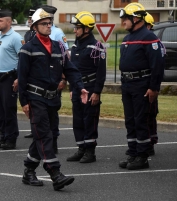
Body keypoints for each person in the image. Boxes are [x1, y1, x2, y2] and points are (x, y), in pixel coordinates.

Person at [18, 8, 88, 191]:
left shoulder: (58, 46)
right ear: (34, 27)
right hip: (35, 98)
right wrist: (24, 102)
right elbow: (22, 77)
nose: (48, 26)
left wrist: (80, 87)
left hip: (52, 99)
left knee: (42, 135)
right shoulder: (27, 49)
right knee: (45, 135)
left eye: (49, 23)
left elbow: (70, 69)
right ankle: (55, 174)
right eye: (44, 24)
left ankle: (28, 170)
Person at [118, 3, 164, 170]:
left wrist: (153, 88)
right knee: (130, 121)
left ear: (136, 18)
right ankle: (133, 153)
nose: (123, 22)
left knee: (140, 120)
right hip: (128, 85)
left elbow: (157, 65)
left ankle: (142, 156)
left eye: (125, 19)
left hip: (141, 85)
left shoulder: (149, 37)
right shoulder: (127, 38)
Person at [23, 5, 69, 154]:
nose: (48, 24)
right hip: (37, 89)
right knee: (42, 129)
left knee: (51, 121)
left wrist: (63, 80)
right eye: (44, 21)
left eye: (49, 20)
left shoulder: (57, 33)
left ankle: (51, 146)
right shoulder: (31, 36)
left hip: (53, 84)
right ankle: (46, 151)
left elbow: (64, 58)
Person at [66, 11, 106, 163]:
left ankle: (90, 151)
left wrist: (96, 92)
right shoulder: (75, 45)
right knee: (78, 119)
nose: (74, 30)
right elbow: (71, 69)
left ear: (87, 29)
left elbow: (101, 73)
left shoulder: (96, 47)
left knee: (89, 119)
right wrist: (71, 89)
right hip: (77, 88)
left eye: (77, 27)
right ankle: (81, 148)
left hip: (90, 87)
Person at [0, 9, 22, 150]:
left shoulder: (15, 38)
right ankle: (3, 136)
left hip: (9, 78)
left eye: (0, 20)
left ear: (9, 22)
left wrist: (18, 79)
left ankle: (11, 138)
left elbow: (23, 60)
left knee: (9, 109)